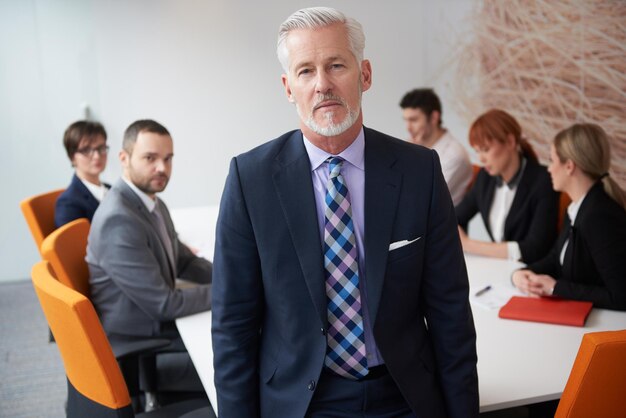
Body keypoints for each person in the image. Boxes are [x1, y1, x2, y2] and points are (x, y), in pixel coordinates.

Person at [212, 7, 478, 418]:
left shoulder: (418, 170)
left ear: (365, 74)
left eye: (336, 65)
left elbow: (450, 313)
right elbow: (233, 328)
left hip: (404, 394)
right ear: (288, 87)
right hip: (303, 401)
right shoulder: (251, 179)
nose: (322, 85)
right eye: (305, 71)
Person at [86, 119, 213, 403]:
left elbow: (182, 260)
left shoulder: (152, 201)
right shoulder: (118, 218)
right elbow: (164, 305)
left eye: (168, 159)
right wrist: (234, 290)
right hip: (137, 330)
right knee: (241, 326)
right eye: (150, 158)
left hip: (150, 312)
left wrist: (231, 275)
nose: (162, 168)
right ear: (124, 158)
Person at [512, 123, 626, 310]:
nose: (548, 169)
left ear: (569, 166)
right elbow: (557, 258)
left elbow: (621, 296)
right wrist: (522, 273)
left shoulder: (599, 216)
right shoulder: (577, 207)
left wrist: (555, 287)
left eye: (552, 160)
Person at [456, 109, 559, 263]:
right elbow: (455, 217)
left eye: (485, 150)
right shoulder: (486, 178)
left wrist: (469, 245)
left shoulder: (543, 180)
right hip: (499, 269)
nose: (481, 158)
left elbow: (535, 248)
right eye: (477, 151)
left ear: (510, 142)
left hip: (531, 275)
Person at [400, 88, 472, 205]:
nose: (408, 127)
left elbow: (422, 198)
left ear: (434, 117)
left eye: (414, 120)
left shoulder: (454, 155)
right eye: (406, 120)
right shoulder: (411, 147)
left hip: (435, 221)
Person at [55, 120, 110, 227]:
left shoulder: (112, 189)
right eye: (86, 150)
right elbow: (74, 243)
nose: (97, 156)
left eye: (101, 148)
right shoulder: (68, 204)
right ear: (72, 157)